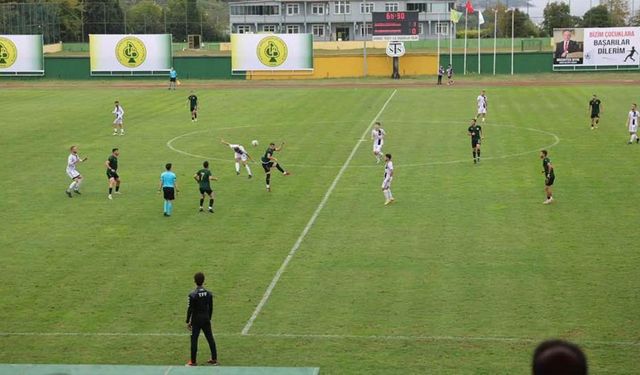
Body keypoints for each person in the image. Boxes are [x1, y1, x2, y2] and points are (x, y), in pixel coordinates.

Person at [185, 272, 218, 367]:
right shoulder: (208, 294)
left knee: (194, 339)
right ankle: (214, 359)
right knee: (210, 338)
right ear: (203, 281)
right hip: (206, 318)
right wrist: (209, 318)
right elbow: (211, 307)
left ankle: (193, 361)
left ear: (195, 281)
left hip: (196, 320)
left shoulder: (192, 295)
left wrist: (188, 321)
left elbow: (190, 309)